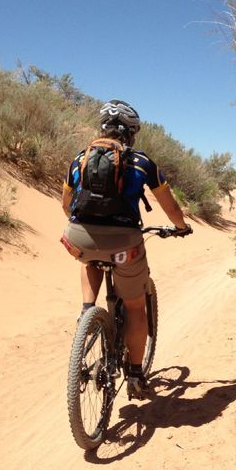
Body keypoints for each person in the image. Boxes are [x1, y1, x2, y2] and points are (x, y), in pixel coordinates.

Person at [61, 99, 191, 396]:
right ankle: (134, 373)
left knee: (88, 258)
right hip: (125, 244)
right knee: (135, 307)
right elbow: (168, 204)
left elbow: (66, 203)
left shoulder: (79, 159)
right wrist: (181, 227)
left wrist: (87, 229)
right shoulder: (141, 162)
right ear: (130, 133)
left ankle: (86, 312)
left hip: (79, 237)